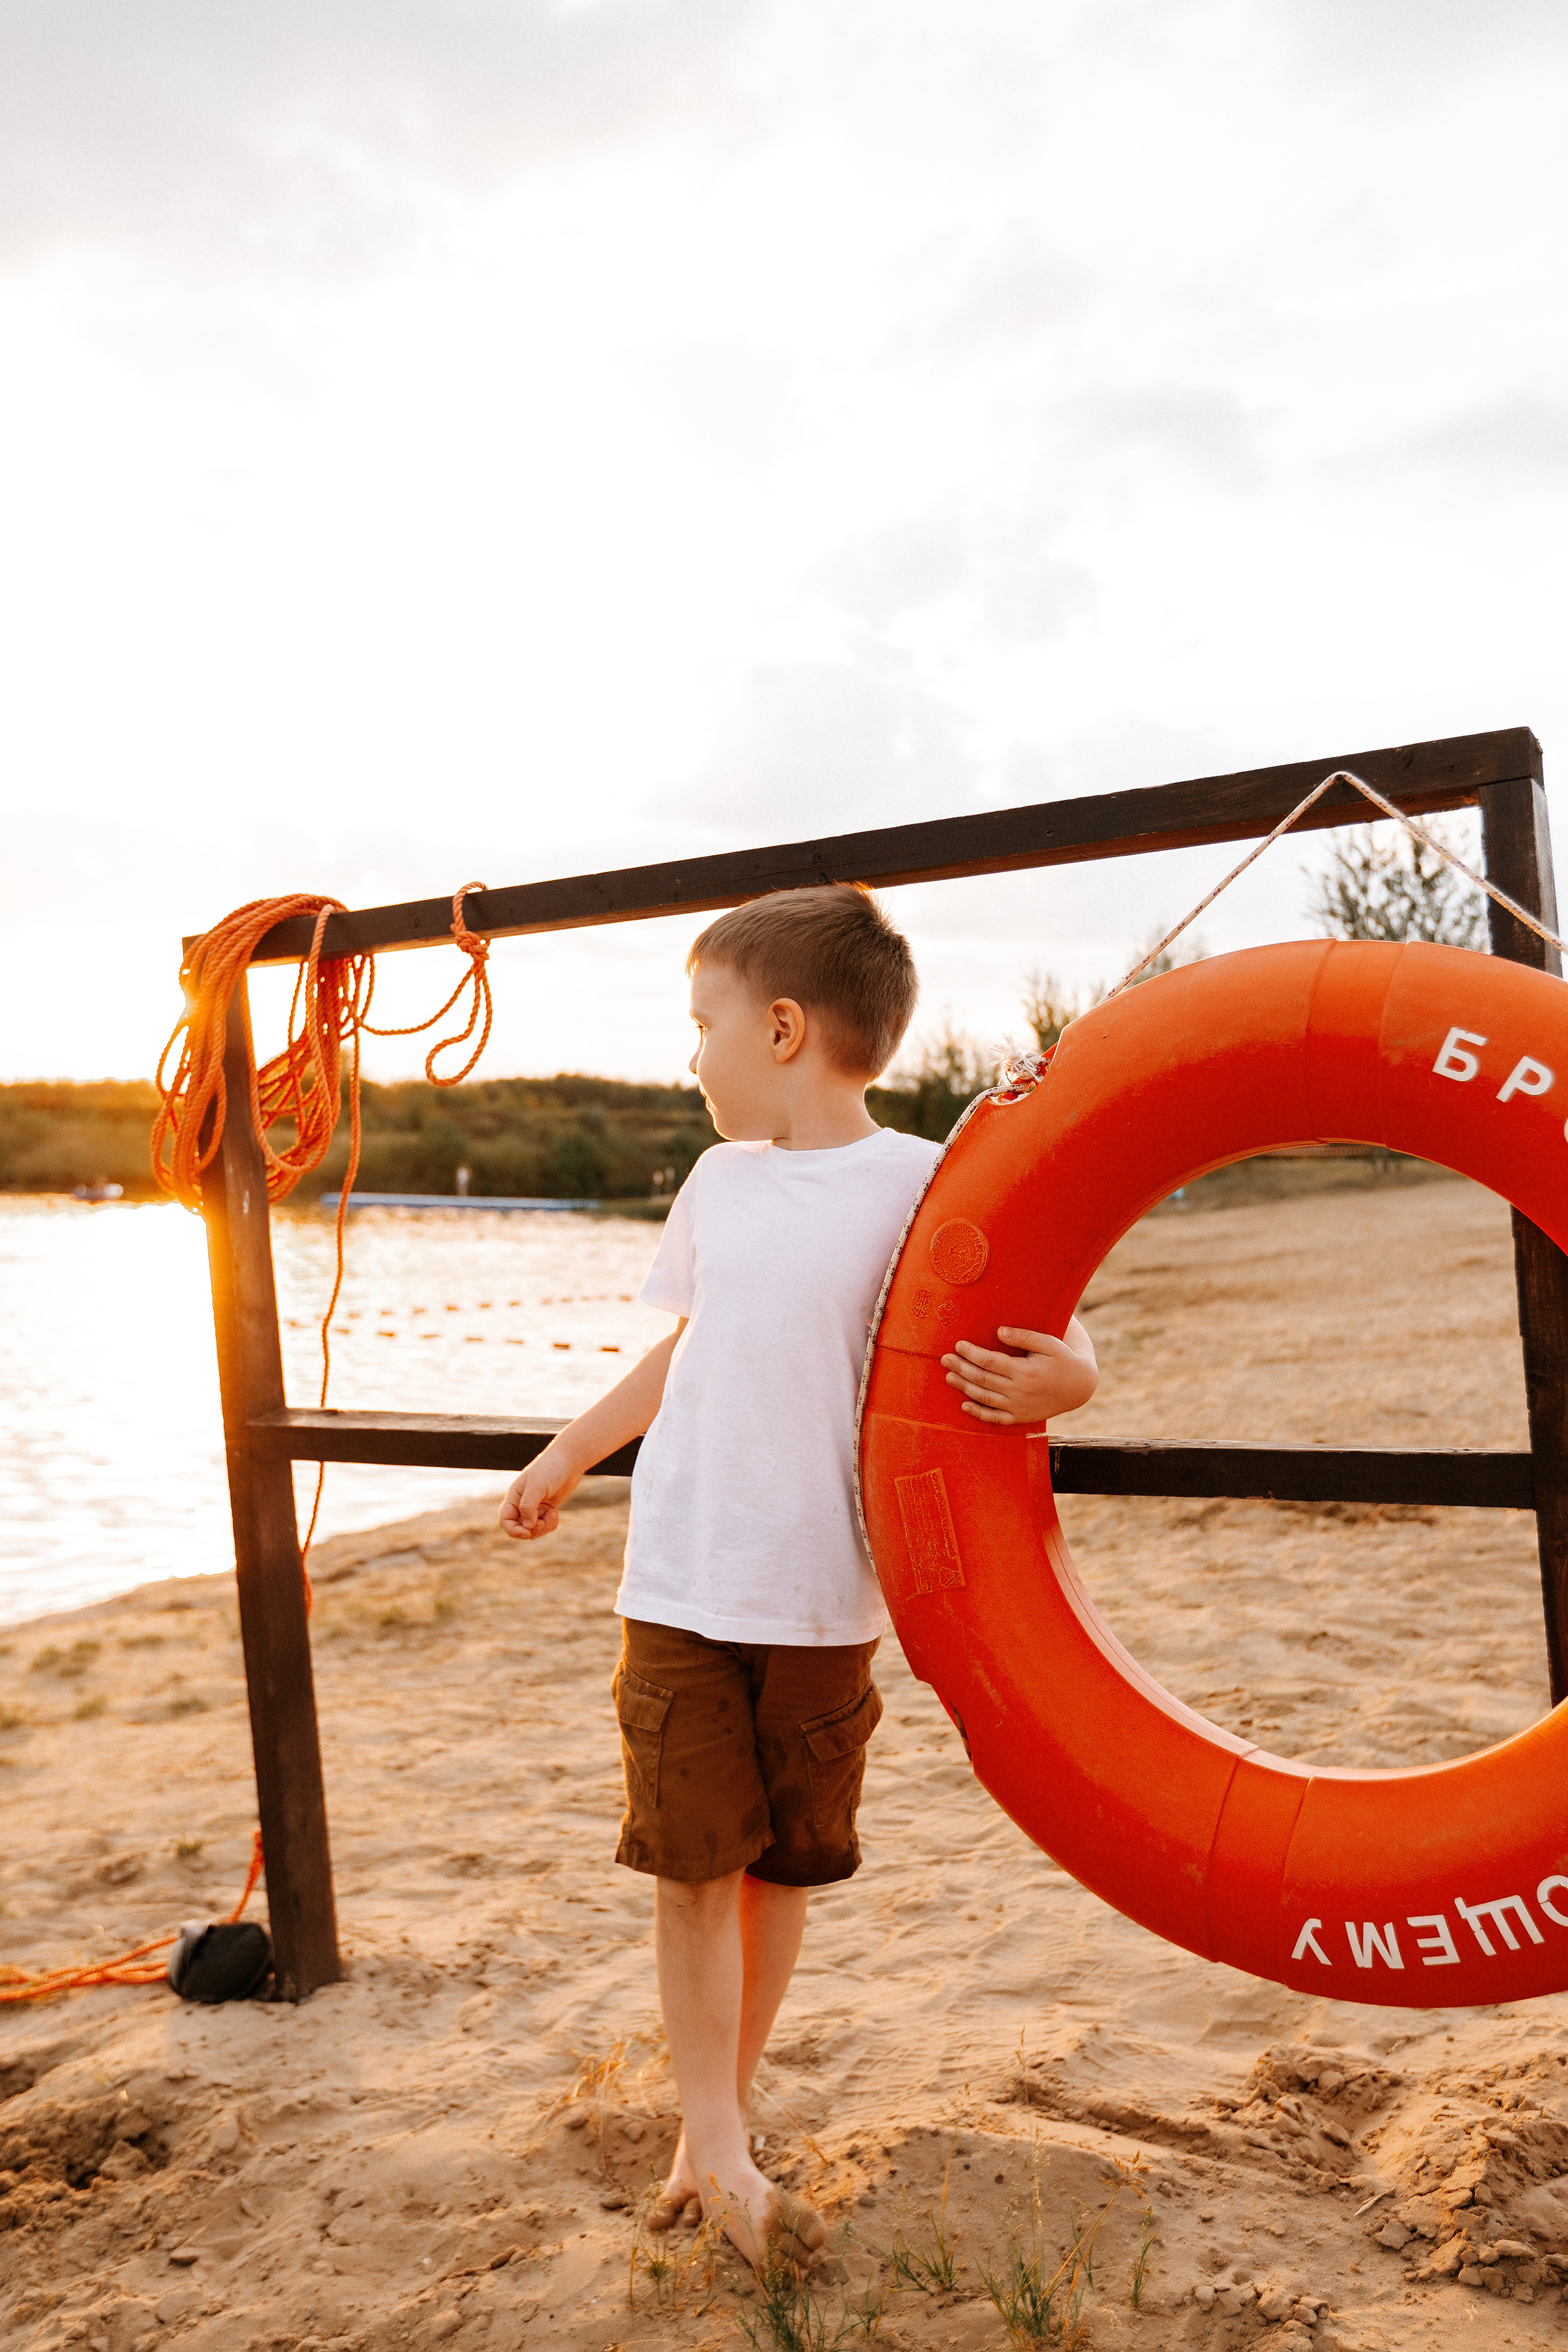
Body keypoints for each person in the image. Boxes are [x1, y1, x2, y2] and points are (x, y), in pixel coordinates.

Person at [498, 884, 1097, 2271]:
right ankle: (710, 2131)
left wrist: (1064, 1378)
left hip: (827, 1599)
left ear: (780, 1028)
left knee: (775, 1870)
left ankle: (719, 2115)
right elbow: (684, 1351)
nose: (688, 1053)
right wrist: (571, 1449)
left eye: (698, 1023)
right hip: (682, 1579)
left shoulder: (926, 1182)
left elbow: (1053, 1330)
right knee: (689, 1865)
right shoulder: (718, 1184)